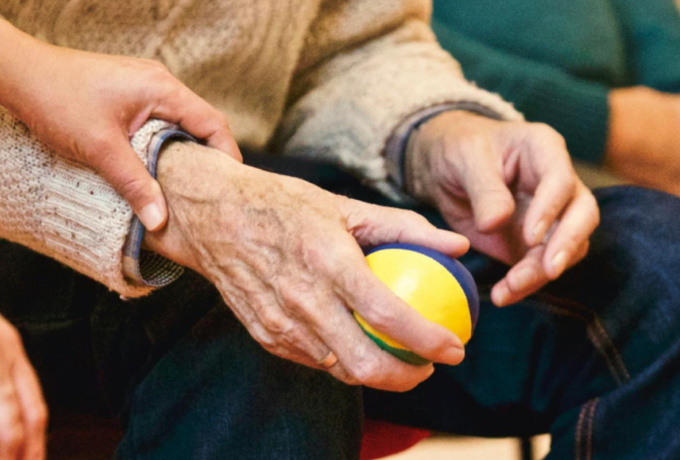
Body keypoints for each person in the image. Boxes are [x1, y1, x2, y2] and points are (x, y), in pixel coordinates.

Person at [0, 2, 677, 460]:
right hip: (29, 210)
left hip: (264, 174)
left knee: (657, 268)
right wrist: (177, 193)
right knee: (268, 315)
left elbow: (354, 41)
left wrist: (439, 132)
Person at [432, 0, 680, 195]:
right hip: (508, 138)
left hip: (646, 121)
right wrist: (600, 122)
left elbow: (655, 24)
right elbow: (410, 41)